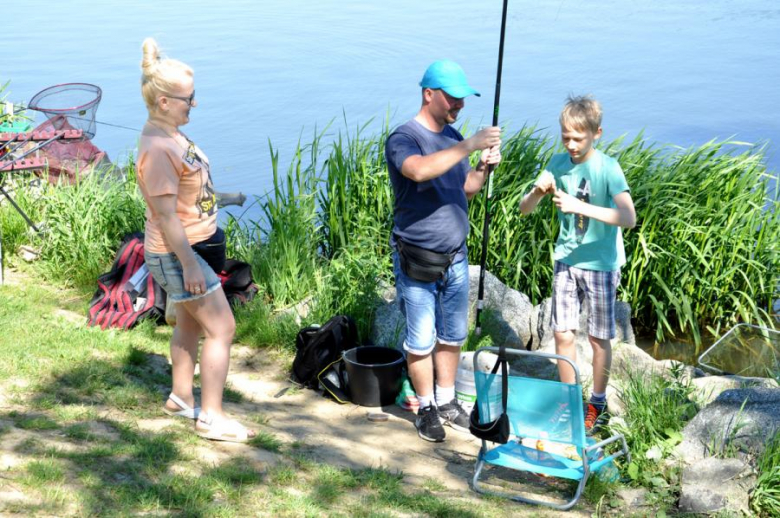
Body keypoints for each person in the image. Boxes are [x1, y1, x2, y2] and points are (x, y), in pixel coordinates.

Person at [137, 38, 255, 443]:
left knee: (189, 324)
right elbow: (166, 215)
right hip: (177, 254)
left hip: (193, 248)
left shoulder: (170, 134)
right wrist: (188, 264)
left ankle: (181, 397)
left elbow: (188, 198)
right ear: (166, 101)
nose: (195, 104)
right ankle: (212, 417)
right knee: (222, 329)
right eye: (189, 99)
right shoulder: (156, 148)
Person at [385, 60, 502, 442]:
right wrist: (469, 144)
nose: (459, 106)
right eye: (453, 98)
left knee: (452, 334)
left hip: (456, 256)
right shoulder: (403, 138)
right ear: (428, 94)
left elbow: (463, 187)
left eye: (463, 99)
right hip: (417, 256)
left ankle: (448, 401)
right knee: (420, 339)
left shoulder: (453, 136)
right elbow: (418, 171)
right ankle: (426, 406)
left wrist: (482, 168)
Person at [519, 95, 636, 433]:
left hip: (600, 263)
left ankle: (596, 401)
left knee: (600, 337)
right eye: (565, 137)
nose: (570, 145)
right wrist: (538, 193)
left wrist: (578, 206)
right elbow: (525, 209)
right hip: (566, 260)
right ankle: (569, 398)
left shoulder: (608, 168)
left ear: (596, 134)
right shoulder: (557, 163)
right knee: (561, 332)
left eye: (578, 138)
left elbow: (628, 217)